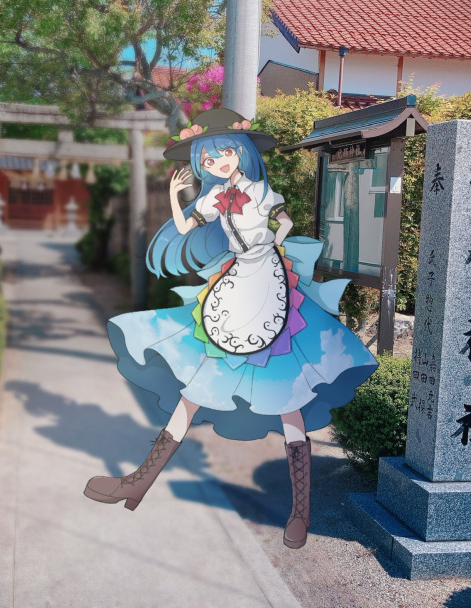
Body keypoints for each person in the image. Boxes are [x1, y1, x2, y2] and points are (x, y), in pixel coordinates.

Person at [84, 108, 377, 549]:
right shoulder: (212, 198)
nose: (218, 162)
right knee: (195, 386)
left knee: (288, 392)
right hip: (235, 283)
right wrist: (173, 193)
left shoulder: (260, 189)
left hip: (272, 284)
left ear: (240, 153)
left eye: (224, 153)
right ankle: (138, 483)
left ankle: (301, 510)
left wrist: (274, 246)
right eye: (209, 158)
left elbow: (286, 221)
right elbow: (183, 227)